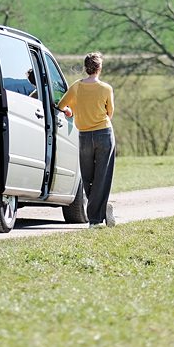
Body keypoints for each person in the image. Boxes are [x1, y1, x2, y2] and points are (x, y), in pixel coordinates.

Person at [57, 52, 116, 228]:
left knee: (88, 177)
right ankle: (101, 210)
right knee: (102, 177)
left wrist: (71, 111)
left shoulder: (76, 87)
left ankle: (96, 219)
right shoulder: (106, 88)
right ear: (99, 68)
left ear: (86, 67)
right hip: (104, 134)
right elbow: (110, 113)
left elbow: (61, 106)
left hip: (84, 136)